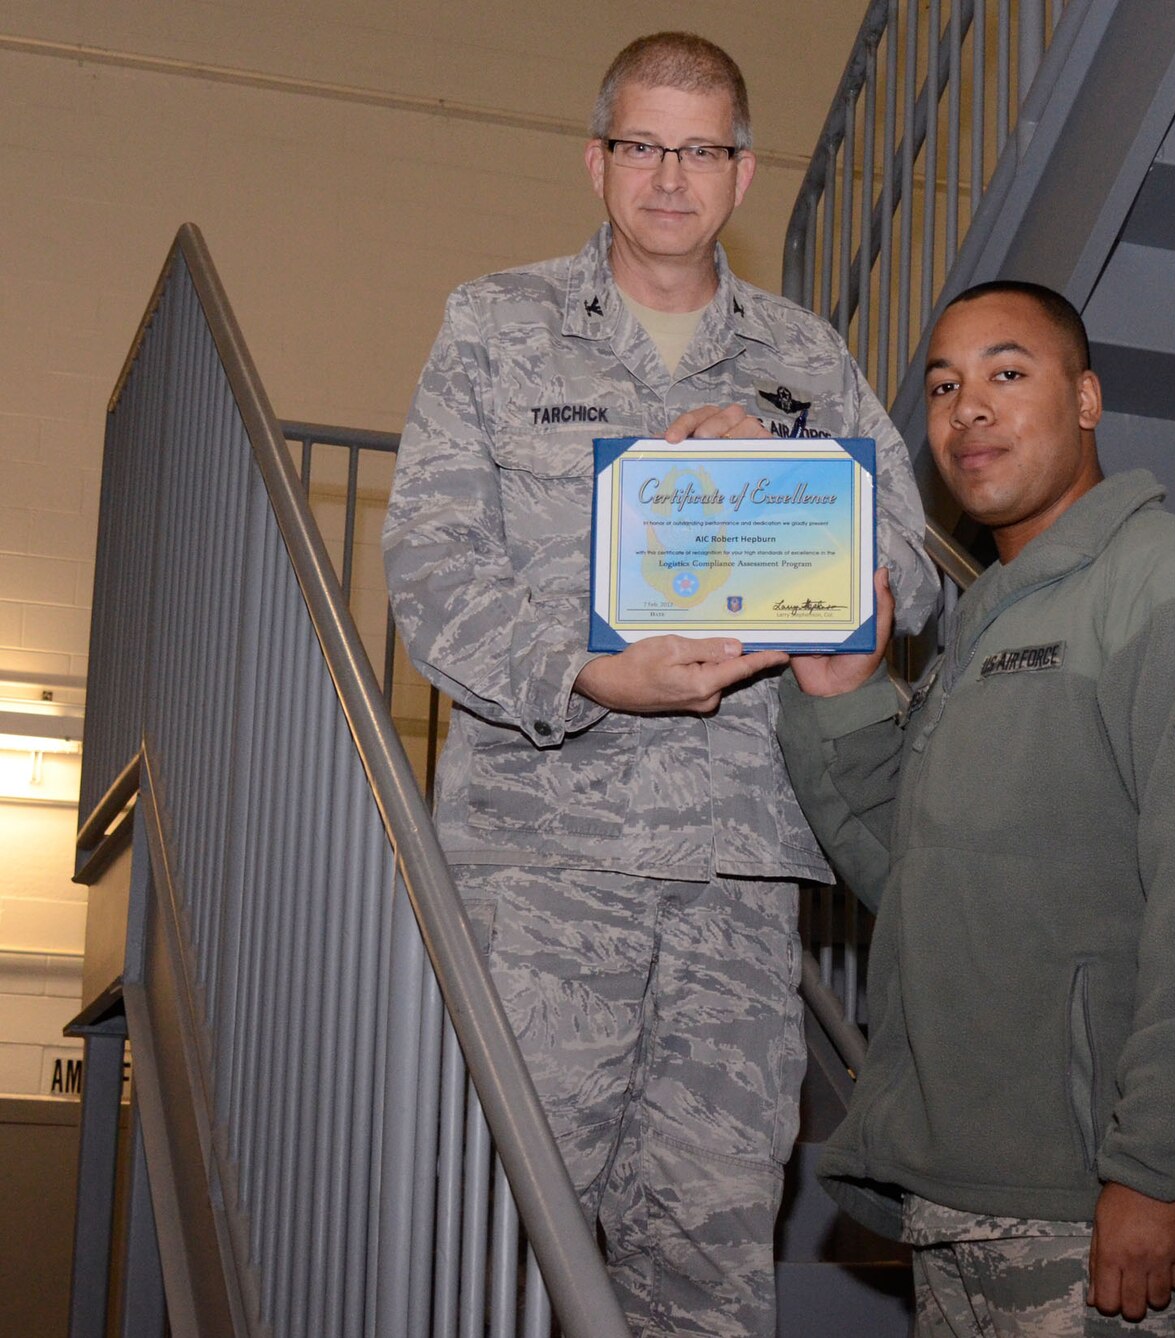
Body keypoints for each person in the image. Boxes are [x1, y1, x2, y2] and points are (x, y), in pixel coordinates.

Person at [381, 32, 939, 1338]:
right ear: (598, 160)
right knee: (499, 1245)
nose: (671, 177)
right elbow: (430, 563)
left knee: (709, 1264)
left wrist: (790, 472)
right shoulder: (497, 323)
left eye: (701, 150)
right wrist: (587, 669)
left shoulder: (806, 358)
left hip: (738, 886)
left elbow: (908, 561)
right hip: (540, 867)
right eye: (644, 145)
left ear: (743, 172)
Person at [775, 281, 1175, 1337]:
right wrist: (839, 700)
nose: (966, 408)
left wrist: (1160, 1171)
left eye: (1006, 374)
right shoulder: (981, 624)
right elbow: (917, 879)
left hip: (1092, 1213)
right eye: (942, 385)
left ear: (1086, 398)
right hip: (963, 1202)